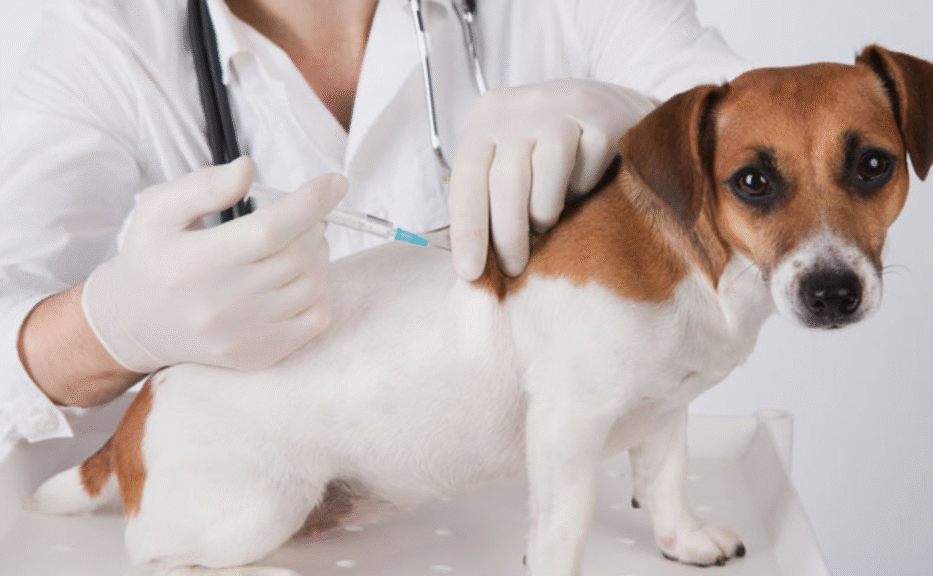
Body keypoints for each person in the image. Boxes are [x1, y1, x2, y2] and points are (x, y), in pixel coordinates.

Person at [0, 0, 748, 461]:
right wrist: (110, 330)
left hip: (556, 492)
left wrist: (649, 119)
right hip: (260, 518)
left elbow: (792, 129)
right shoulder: (108, 38)